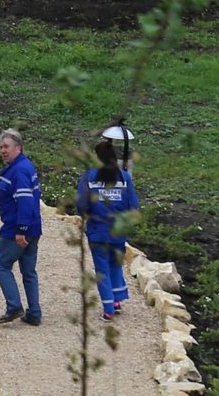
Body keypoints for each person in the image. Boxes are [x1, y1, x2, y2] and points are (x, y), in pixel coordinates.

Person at [79, 137, 139, 320]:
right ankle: (117, 300)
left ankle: (108, 309)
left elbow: (82, 205)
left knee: (102, 270)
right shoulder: (124, 177)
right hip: (118, 231)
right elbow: (133, 205)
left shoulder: (89, 177)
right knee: (115, 264)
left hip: (98, 230)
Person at [0, 128, 43, 326]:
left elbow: (25, 201)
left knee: (1, 264)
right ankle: (34, 313)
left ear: (18, 148)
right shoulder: (25, 166)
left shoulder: (19, 171)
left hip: (17, 228)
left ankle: (14, 306)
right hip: (34, 227)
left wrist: (21, 230)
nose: (3, 151)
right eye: (1, 147)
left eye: (6, 147)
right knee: (29, 271)